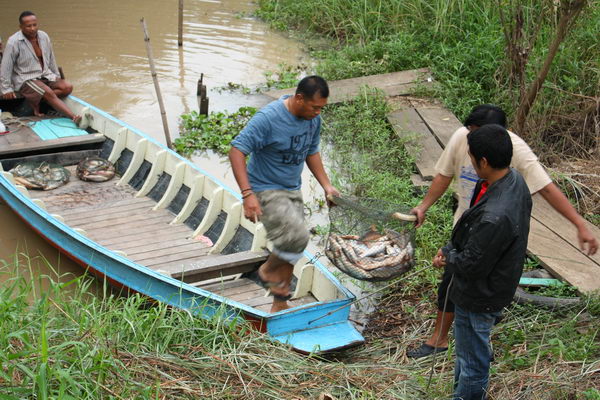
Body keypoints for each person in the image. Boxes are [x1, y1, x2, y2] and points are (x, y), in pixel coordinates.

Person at [408, 104, 598, 358]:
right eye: (470, 133)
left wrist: (579, 224)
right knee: (452, 284)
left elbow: (547, 188)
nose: (471, 142)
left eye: (477, 136)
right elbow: (444, 174)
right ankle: (441, 339)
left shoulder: (515, 151)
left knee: (482, 286)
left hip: (495, 233)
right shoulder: (461, 138)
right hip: (466, 228)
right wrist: (423, 207)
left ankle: (476, 344)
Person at [434, 124, 532, 400]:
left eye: (472, 158)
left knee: (473, 364)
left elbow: (471, 265)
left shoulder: (495, 216)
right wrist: (451, 248)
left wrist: (447, 259)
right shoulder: (514, 181)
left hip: (479, 296)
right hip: (495, 285)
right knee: (467, 352)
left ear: (484, 161)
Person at [229, 75, 339, 313]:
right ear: (299, 98)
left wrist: (326, 185)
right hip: (264, 187)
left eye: (322, 108)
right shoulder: (268, 119)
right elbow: (237, 150)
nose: (318, 113)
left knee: (290, 247)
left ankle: (279, 304)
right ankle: (267, 271)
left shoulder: (312, 120)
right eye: (315, 107)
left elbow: (311, 151)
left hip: (291, 187)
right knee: (296, 238)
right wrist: (248, 195)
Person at [0, 11, 81, 124]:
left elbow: (51, 58)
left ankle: (36, 102)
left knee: (67, 87)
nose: (32, 28)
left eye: (34, 25)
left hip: (44, 74)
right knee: (49, 93)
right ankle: (74, 117)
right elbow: (5, 66)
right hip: (26, 78)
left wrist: (56, 76)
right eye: (28, 26)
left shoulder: (44, 36)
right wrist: (6, 88)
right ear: (21, 27)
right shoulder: (14, 42)